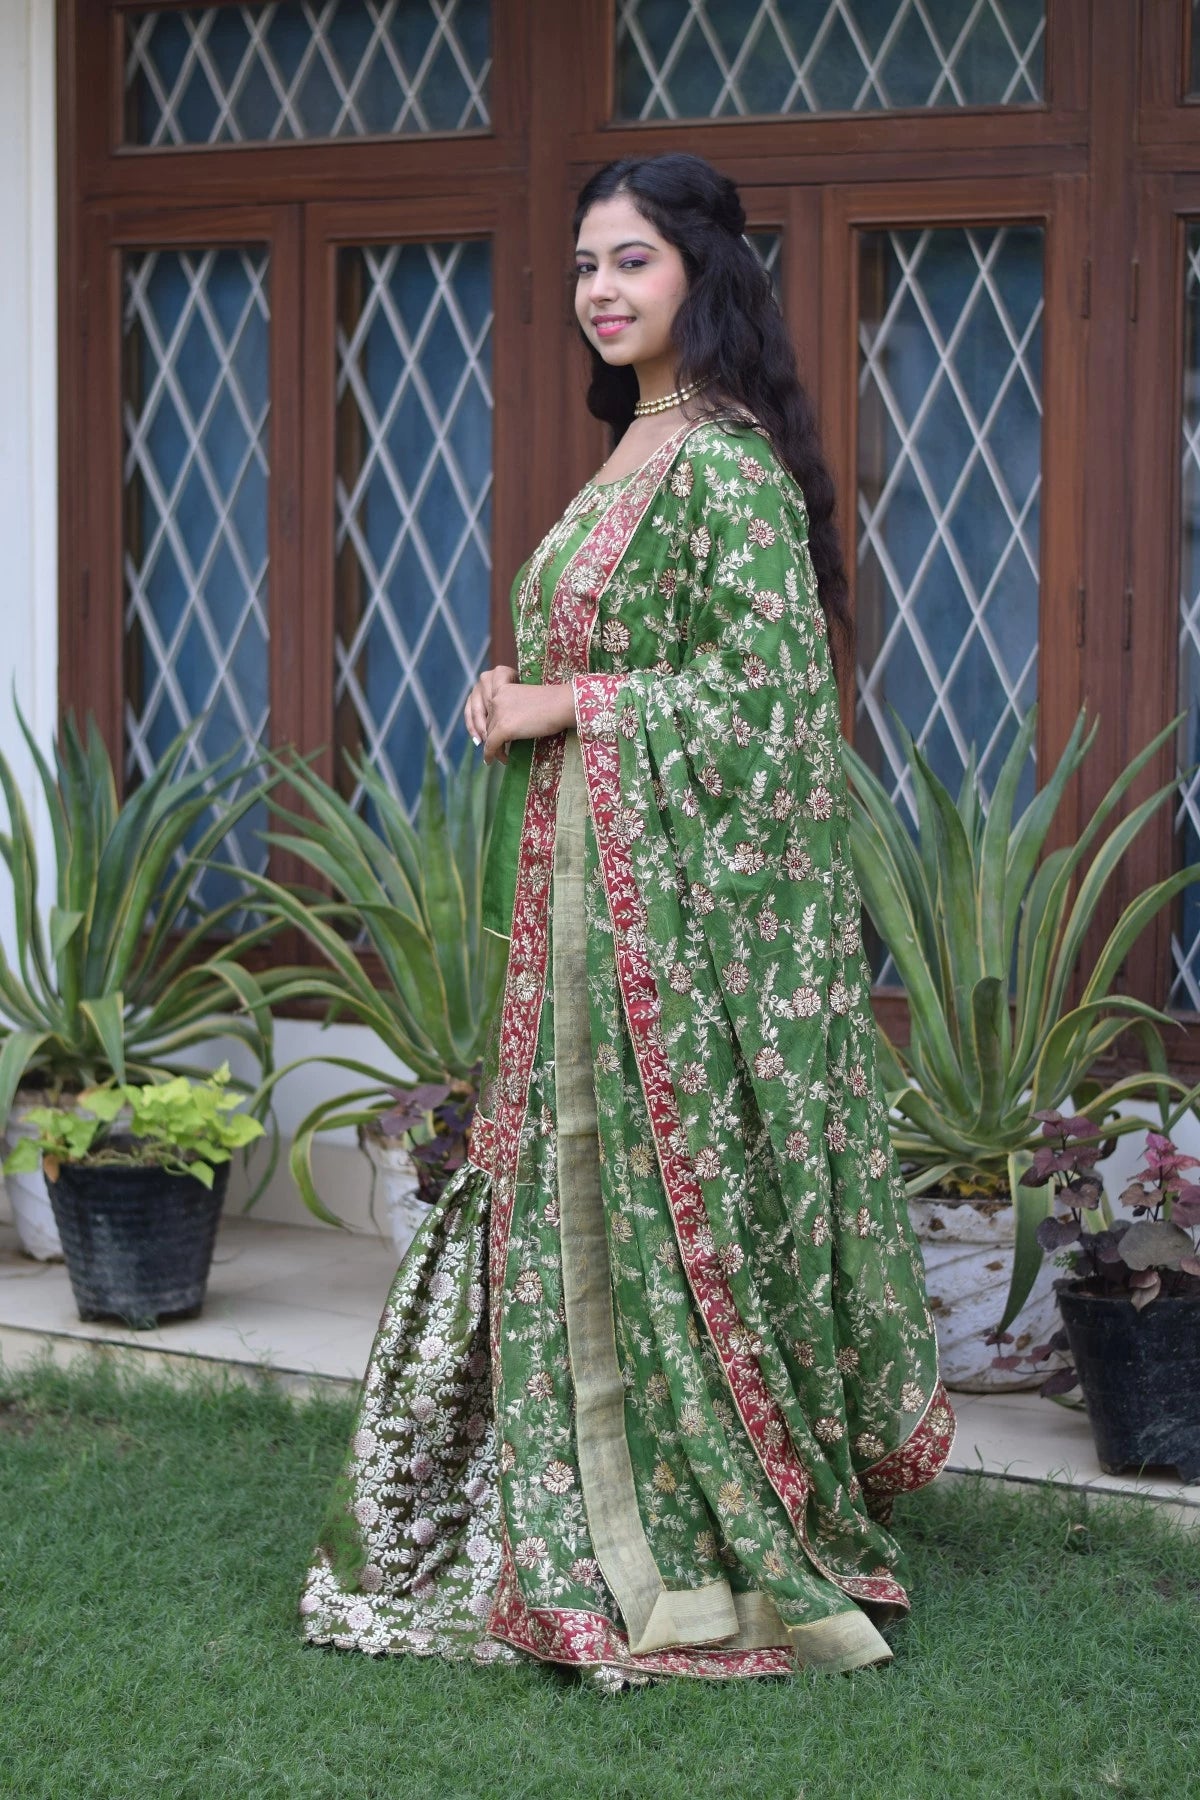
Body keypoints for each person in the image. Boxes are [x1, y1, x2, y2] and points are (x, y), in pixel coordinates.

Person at [300, 152, 953, 1685]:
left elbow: (777, 712)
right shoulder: (645, 447)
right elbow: (633, 666)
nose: (600, 288)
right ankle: (590, 1489)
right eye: (586, 263)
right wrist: (524, 697)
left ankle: (680, 1520)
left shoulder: (717, 461)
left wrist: (564, 700)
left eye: (633, 261)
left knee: (645, 1216)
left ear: (702, 278)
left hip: (650, 939)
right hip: (588, 911)